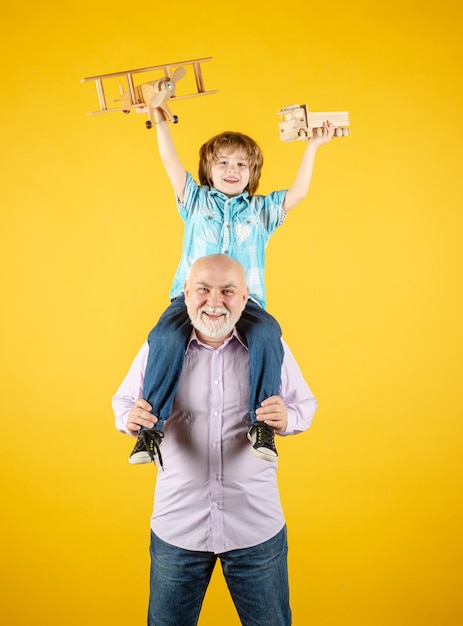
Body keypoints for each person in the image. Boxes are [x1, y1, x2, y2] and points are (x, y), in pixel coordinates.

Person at [112, 254, 318, 626]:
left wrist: (289, 419)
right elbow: (123, 401)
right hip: (179, 526)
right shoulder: (159, 349)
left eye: (227, 291)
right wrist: (129, 418)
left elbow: (306, 403)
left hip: (255, 525)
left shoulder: (270, 349)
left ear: (245, 298)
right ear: (185, 293)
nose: (214, 302)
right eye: (203, 290)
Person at [129, 107, 333, 466]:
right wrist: (159, 118)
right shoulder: (194, 202)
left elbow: (298, 193)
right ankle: (151, 429)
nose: (231, 171)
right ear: (208, 170)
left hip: (245, 301)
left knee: (269, 332)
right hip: (190, 299)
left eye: (241, 165)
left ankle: (263, 424)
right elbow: (169, 162)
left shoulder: (261, 210)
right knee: (164, 338)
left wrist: (313, 147)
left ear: (252, 174)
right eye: (223, 163)